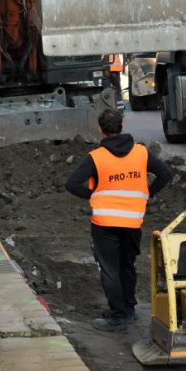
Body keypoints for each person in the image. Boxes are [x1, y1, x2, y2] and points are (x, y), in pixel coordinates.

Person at [65, 108, 172, 332]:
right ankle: (129, 308)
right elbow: (165, 174)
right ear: (121, 127)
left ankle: (118, 315)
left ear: (101, 129)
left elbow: (72, 184)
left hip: (105, 224)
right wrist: (148, 193)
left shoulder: (96, 157)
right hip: (133, 222)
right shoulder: (141, 153)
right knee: (127, 265)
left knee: (110, 269)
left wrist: (92, 196)